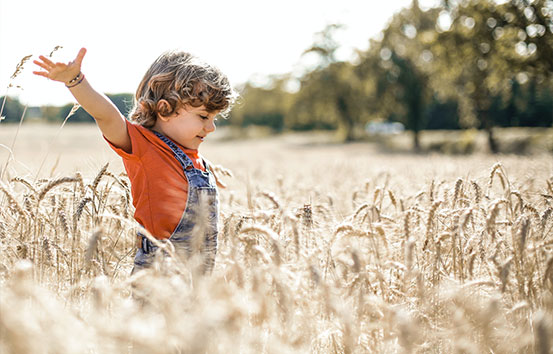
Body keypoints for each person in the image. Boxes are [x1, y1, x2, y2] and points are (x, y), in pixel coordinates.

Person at [33, 48, 236, 274]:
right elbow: (107, 115)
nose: (212, 127)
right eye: (204, 117)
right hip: (158, 271)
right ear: (165, 109)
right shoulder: (143, 146)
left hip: (198, 275)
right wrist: (75, 80)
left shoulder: (193, 158)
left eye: (214, 118)